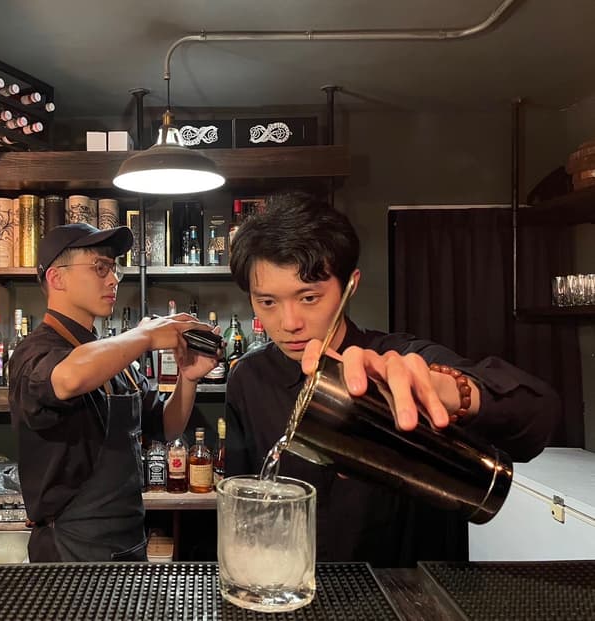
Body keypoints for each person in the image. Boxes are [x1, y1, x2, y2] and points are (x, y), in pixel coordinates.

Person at [225, 192, 561, 567]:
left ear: (349, 287)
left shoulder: (399, 361)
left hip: (405, 591)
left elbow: (539, 414)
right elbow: (245, 501)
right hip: (294, 590)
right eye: (268, 302)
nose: (288, 323)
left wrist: (454, 391)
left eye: (309, 298)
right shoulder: (248, 379)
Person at [9, 222, 217, 562]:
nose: (113, 279)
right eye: (99, 267)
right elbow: (69, 378)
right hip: (71, 550)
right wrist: (146, 336)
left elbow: (165, 427)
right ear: (56, 278)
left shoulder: (112, 356)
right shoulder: (33, 352)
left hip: (128, 540)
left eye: (114, 269)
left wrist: (188, 379)